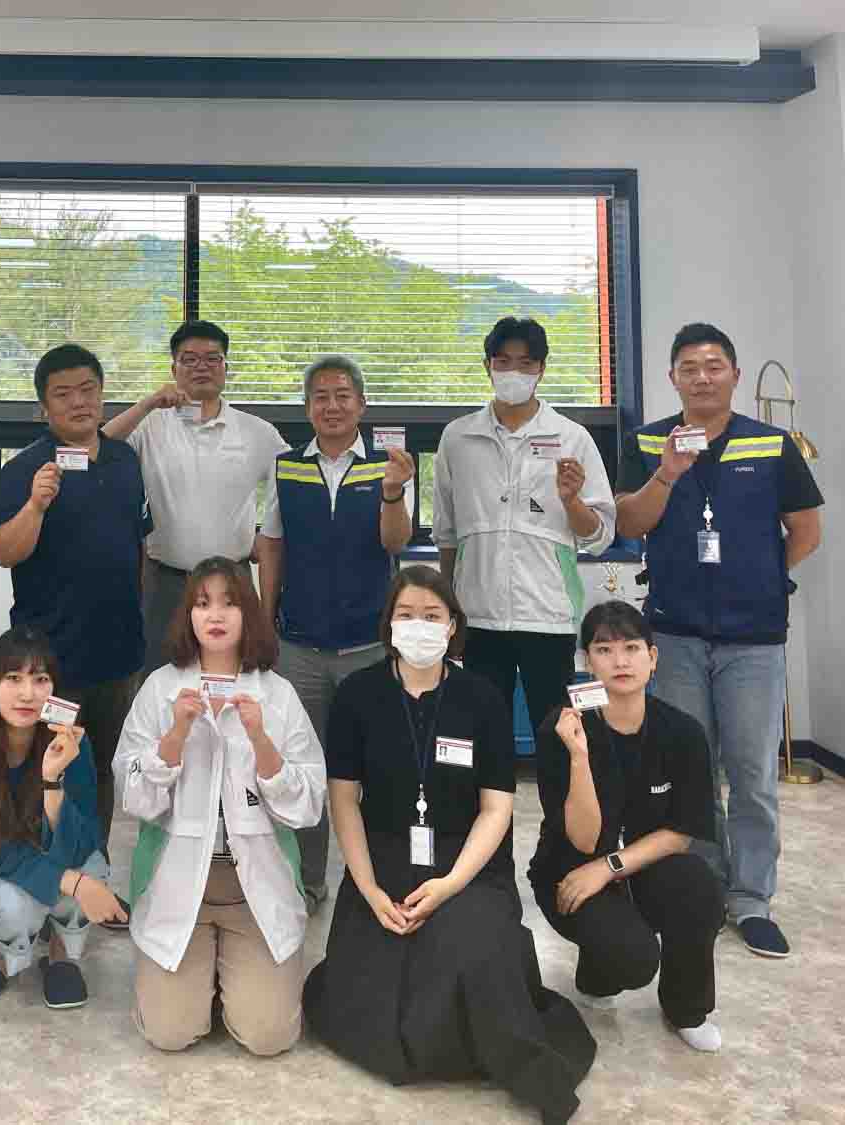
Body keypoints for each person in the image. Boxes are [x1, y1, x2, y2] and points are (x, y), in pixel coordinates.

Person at [303, 566, 594, 1124]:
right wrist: (368, 889)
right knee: (380, 986)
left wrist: (451, 884)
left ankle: (534, 1074)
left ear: (453, 625)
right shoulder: (358, 695)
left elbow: (496, 807)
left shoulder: (481, 698)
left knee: (471, 951)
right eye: (406, 614)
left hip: (468, 860)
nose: (419, 626)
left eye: (432, 615)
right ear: (388, 624)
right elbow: (344, 802)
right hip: (383, 858)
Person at [615, 322, 823, 959]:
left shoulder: (772, 443)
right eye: (689, 368)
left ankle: (752, 897)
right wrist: (668, 474)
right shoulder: (646, 440)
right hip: (674, 634)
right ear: (672, 378)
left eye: (714, 366)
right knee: (691, 770)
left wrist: (760, 579)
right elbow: (628, 521)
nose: (702, 377)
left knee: (753, 773)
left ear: (735, 374)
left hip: (754, 639)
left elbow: (806, 531)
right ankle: (703, 889)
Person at [115, 556, 325, 1056]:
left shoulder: (277, 695)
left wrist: (260, 740)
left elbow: (308, 806)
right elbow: (134, 797)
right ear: (187, 614)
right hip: (178, 884)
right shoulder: (161, 688)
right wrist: (175, 735)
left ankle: (225, 976)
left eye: (230, 603)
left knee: (269, 1037)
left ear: (248, 614)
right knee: (169, 1034)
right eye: (203, 603)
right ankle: (200, 981)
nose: (215, 615)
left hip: (254, 892)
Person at [0, 342, 152, 923]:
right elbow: (5, 552)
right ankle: (42, 890)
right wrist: (36, 505)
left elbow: (138, 546)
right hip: (48, 664)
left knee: (99, 773)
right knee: (43, 774)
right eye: (63, 394)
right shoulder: (23, 470)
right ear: (43, 407)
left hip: (116, 653)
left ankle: (94, 884)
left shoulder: (125, 460)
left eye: (88, 390)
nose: (78, 402)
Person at [255, 354, 415, 914]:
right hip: (299, 645)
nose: (332, 406)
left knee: (379, 766)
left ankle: (381, 879)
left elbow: (396, 543)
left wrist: (392, 492)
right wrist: (265, 620)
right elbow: (271, 544)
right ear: (307, 408)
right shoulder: (286, 467)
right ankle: (309, 880)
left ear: (361, 405)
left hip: (369, 644)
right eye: (320, 397)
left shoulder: (387, 466)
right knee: (303, 770)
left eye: (343, 395)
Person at [530, 600, 725, 1052]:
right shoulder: (561, 728)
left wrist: (610, 867)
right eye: (604, 650)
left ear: (652, 658)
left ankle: (687, 1009)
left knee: (700, 887)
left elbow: (681, 833)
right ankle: (597, 974)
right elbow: (583, 841)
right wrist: (579, 756)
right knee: (633, 960)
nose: (620, 661)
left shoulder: (683, 732)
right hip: (571, 872)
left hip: (638, 864)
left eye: (632, 648)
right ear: (586, 662)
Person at [433, 316, 615, 739]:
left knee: (557, 736)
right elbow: (447, 535)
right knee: (482, 738)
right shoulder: (458, 438)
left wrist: (571, 500)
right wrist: (451, 613)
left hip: (548, 616)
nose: (514, 372)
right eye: (503, 361)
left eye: (526, 363)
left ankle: (559, 790)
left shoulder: (572, 438)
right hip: (478, 616)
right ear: (487, 366)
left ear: (542, 370)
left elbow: (600, 536)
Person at [0, 626, 123, 1011]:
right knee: (15, 902)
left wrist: (53, 780)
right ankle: (3, 956)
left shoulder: (72, 742)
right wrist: (72, 883)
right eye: (13, 678)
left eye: (40, 680)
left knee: (93, 868)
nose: (27, 694)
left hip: (59, 856)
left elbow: (81, 844)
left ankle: (60, 951)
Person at [102, 320, 288, 677]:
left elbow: (294, 484)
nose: (202, 367)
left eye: (212, 358)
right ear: (174, 370)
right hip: (166, 582)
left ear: (226, 368)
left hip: (233, 580)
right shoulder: (151, 425)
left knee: (238, 678)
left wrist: (266, 537)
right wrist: (148, 403)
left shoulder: (257, 432)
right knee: (160, 678)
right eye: (189, 359)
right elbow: (98, 449)